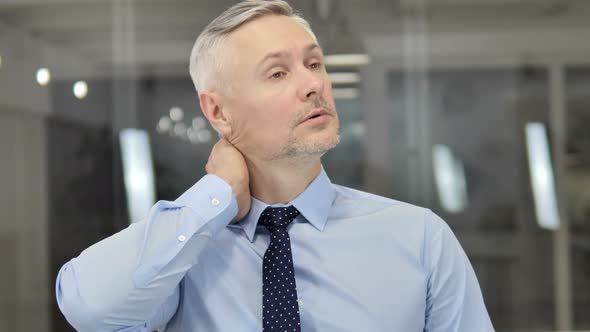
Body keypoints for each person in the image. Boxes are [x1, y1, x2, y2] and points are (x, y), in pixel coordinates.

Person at [56, 1, 494, 331]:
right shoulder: (182, 253)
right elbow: (87, 307)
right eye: (278, 73)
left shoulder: (419, 239)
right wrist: (217, 194)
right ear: (218, 112)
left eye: (314, 63)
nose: (313, 84)